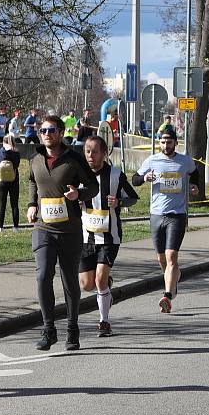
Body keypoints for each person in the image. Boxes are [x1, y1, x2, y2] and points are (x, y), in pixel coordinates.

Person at [27, 115, 99, 351]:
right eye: (43, 130)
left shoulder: (73, 160)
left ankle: (72, 328)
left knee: (69, 281)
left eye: (52, 130)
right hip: (43, 228)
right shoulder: (35, 159)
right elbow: (32, 181)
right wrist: (31, 204)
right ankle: (48, 330)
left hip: (69, 231)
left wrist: (79, 195)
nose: (47, 134)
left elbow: (93, 186)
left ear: (60, 133)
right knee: (42, 276)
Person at [133, 128, 199, 313]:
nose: (165, 145)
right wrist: (145, 178)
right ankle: (173, 278)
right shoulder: (152, 160)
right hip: (156, 214)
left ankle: (168, 295)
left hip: (177, 215)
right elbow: (135, 179)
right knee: (161, 258)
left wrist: (194, 187)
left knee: (171, 256)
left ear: (175, 143)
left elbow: (196, 174)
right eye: (162, 142)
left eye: (169, 142)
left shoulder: (185, 161)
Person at [78, 136, 138, 337]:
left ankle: (104, 322)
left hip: (109, 237)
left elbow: (133, 198)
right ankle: (106, 290)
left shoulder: (115, 175)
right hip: (86, 237)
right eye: (87, 151)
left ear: (104, 153)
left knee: (100, 279)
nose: (90, 156)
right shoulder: (78, 175)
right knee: (87, 284)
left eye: (95, 152)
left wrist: (118, 201)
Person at [0, 134, 21, 232]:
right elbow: (17, 165)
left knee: (2, 204)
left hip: (1, 181)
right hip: (14, 180)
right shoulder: (16, 153)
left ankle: (0, 227)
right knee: (14, 204)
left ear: (3, 142)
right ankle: (15, 227)